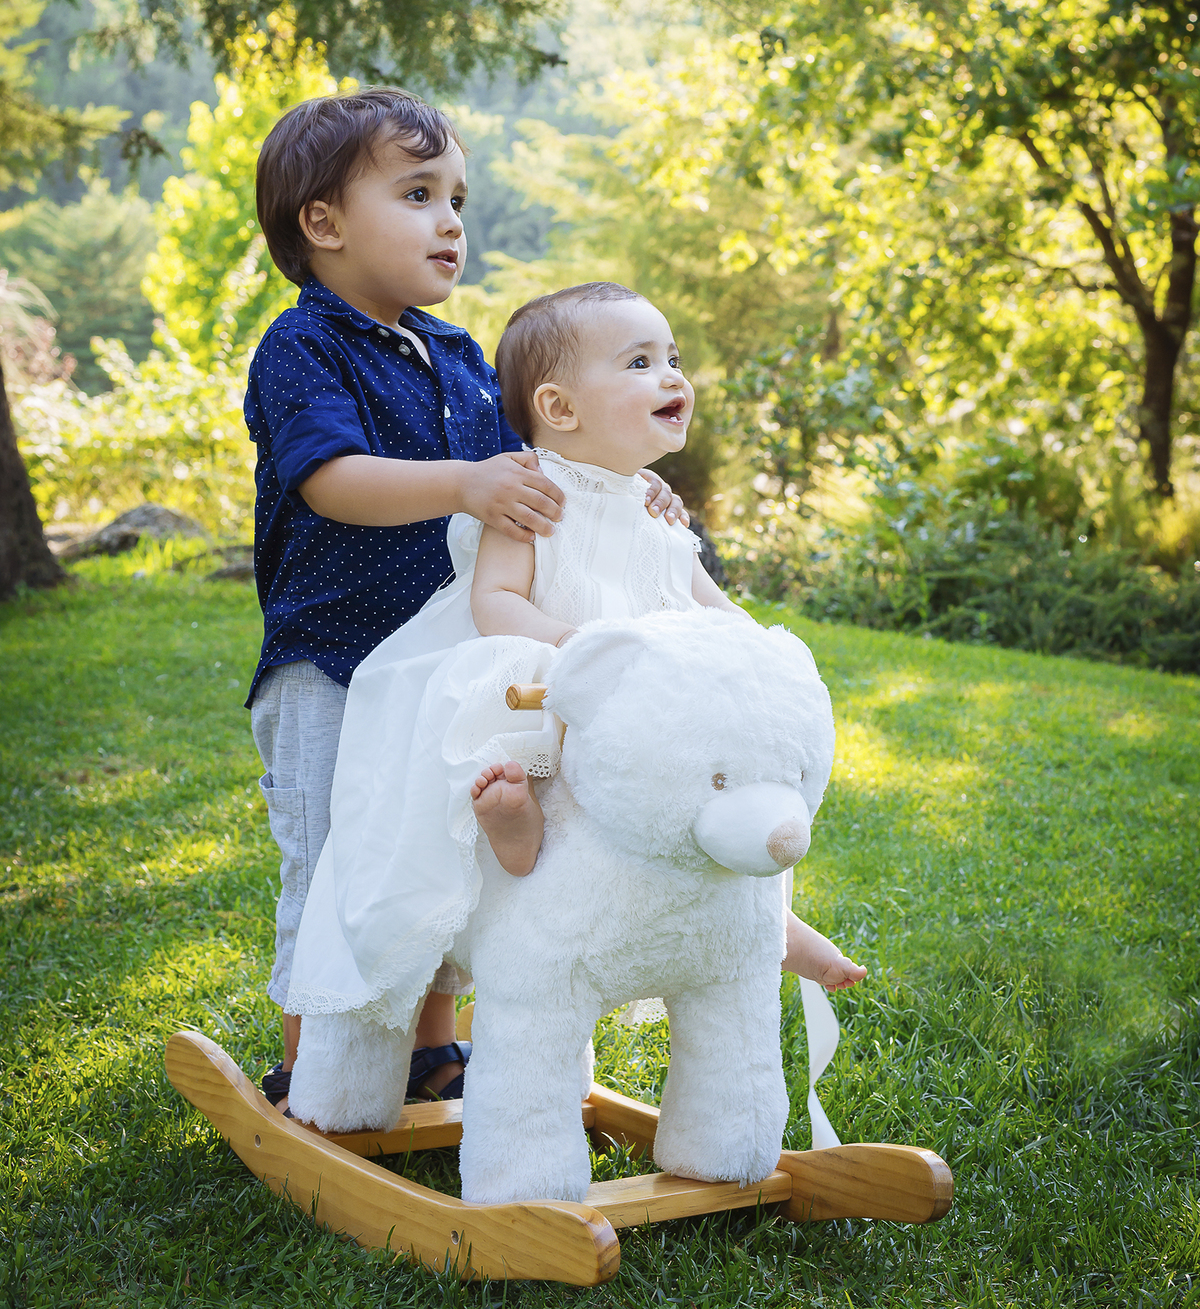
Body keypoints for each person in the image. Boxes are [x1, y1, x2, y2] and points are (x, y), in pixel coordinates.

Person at [283, 283, 865, 1128]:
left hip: (645, 740)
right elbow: (498, 605)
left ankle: (774, 921)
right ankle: (514, 834)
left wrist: (755, 662)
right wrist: (587, 658)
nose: (672, 374)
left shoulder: (660, 517)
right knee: (525, 774)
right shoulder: (530, 493)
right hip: (545, 696)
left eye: (671, 358)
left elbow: (716, 612)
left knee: (727, 787)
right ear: (557, 405)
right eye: (640, 361)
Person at [243, 93, 684, 1114]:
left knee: (432, 845)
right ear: (324, 222)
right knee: (333, 856)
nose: (451, 220)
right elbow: (331, 479)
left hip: (438, 662)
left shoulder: (458, 353)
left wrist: (628, 477)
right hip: (332, 658)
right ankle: (313, 1059)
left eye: (457, 198)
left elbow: (541, 467)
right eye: (418, 193)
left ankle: (432, 1051)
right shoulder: (305, 348)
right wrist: (462, 481)